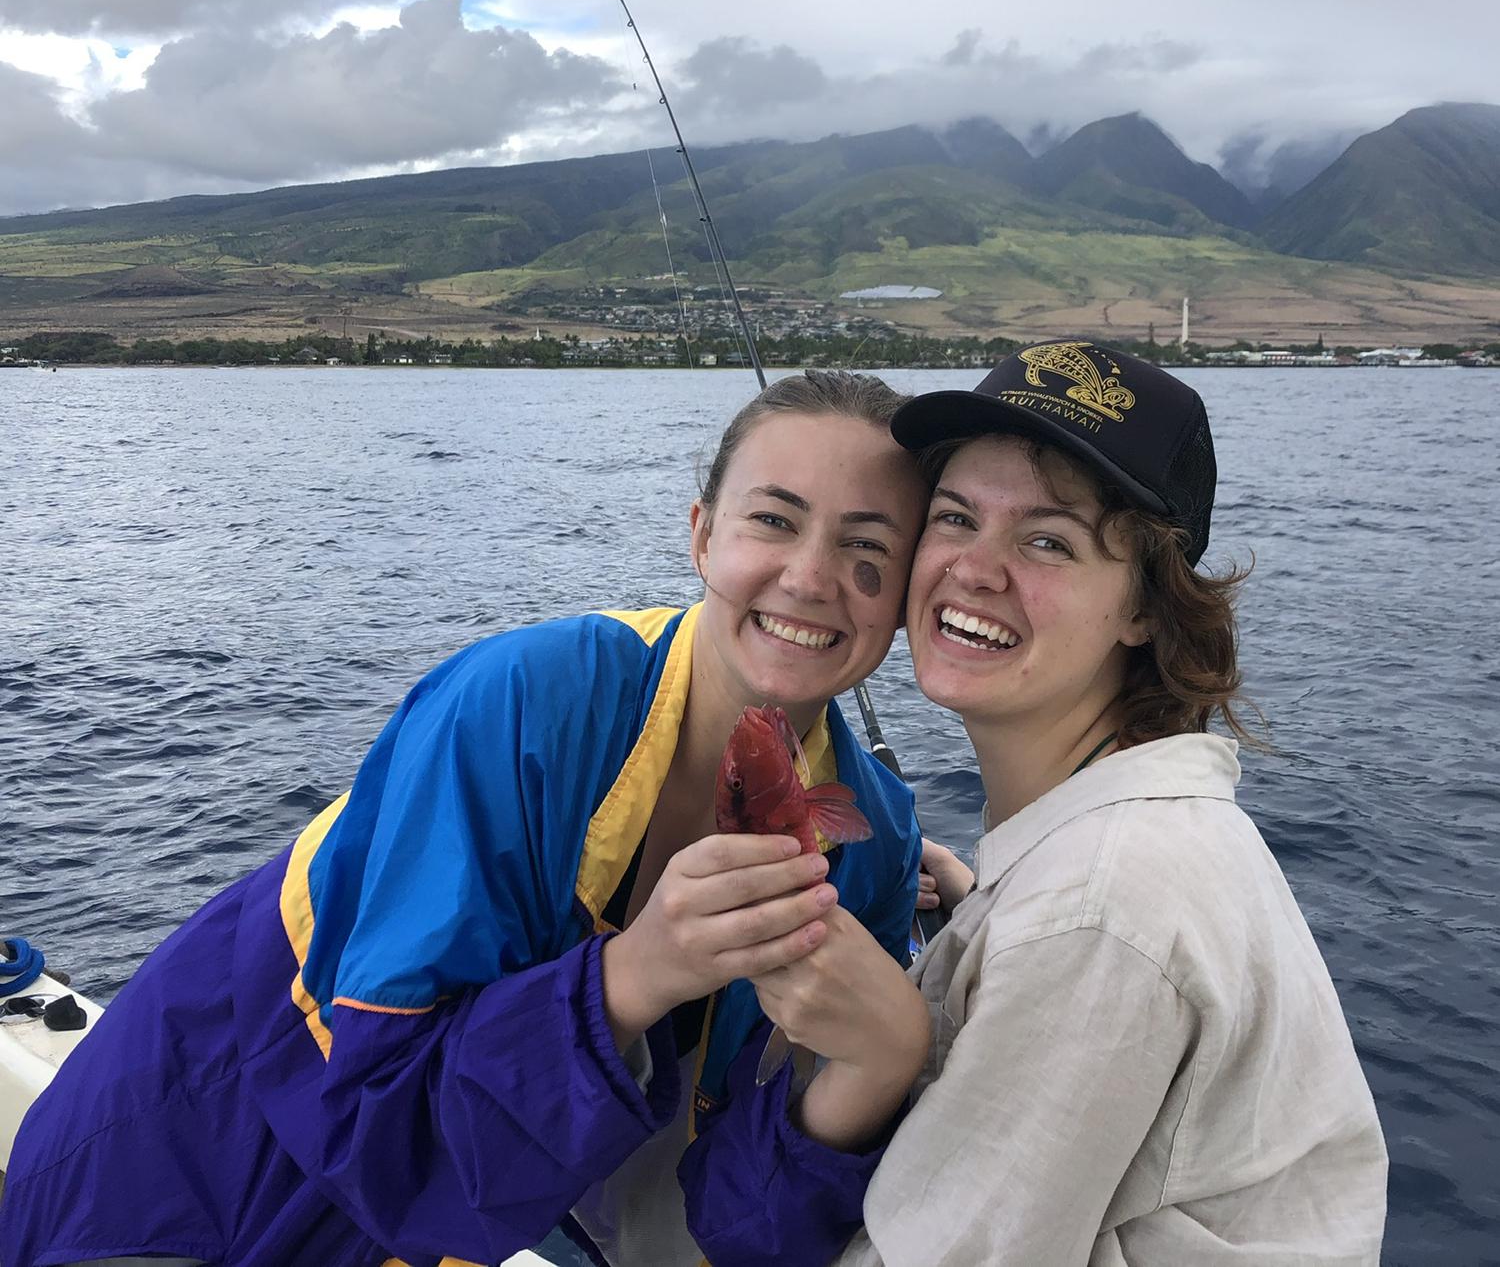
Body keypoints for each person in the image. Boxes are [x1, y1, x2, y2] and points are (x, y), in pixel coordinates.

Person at [0, 370, 932, 1267]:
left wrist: (880, 1068)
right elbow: (378, 1119)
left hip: (443, 1219)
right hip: (196, 1148)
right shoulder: (524, 701)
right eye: (772, 519)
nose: (811, 578)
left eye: (868, 552)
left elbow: (735, 1218)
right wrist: (639, 973)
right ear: (701, 536)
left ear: (906, 596)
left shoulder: (873, 840)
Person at [743, 341, 1388, 1266]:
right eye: (956, 516)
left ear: (1145, 608)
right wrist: (980, 907)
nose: (974, 568)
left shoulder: (1098, 911)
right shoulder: (1130, 843)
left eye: (1047, 540)